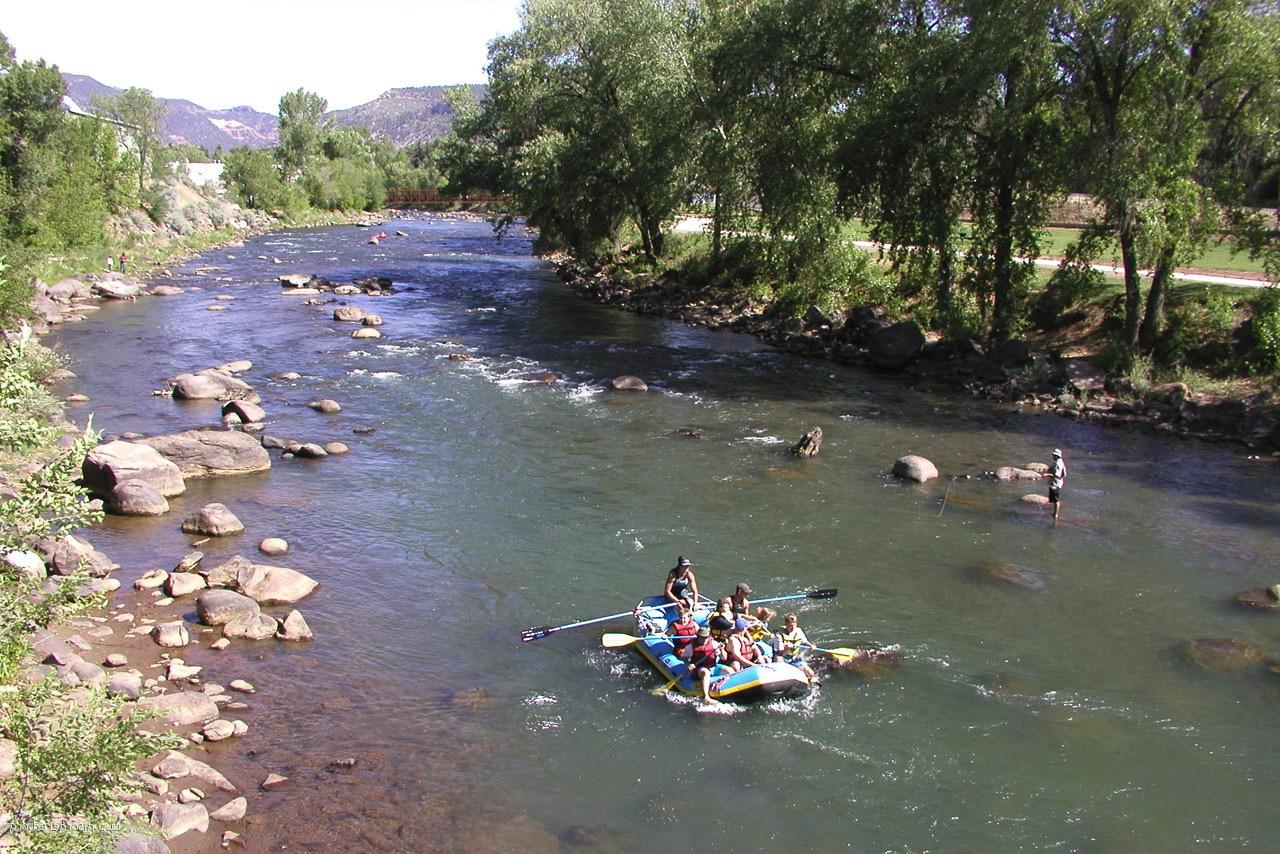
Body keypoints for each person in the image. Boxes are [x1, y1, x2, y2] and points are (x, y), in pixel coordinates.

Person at [773, 613, 816, 680]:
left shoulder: (798, 630)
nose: (793, 627)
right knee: (779, 662)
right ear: (786, 624)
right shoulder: (778, 634)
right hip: (783, 656)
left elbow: (804, 641)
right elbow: (779, 652)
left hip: (795, 657)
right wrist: (787, 648)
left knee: (811, 674)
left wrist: (811, 645)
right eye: (791, 625)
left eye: (795, 624)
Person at [685, 626, 723, 704]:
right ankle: (706, 697)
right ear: (698, 637)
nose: (704, 640)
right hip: (699, 669)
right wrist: (689, 664)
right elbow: (683, 657)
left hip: (712, 666)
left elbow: (724, 657)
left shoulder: (714, 644)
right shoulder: (690, 647)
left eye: (706, 637)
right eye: (702, 638)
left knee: (729, 670)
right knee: (706, 672)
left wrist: (722, 650)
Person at [1046, 448, 1067, 520]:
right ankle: (1055, 513)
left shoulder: (1058, 463)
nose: (1052, 456)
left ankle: (1055, 514)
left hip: (1056, 483)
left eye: (1054, 455)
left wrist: (1047, 475)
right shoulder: (1059, 461)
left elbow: (1057, 475)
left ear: (1057, 456)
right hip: (1057, 482)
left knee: (1056, 500)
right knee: (1054, 499)